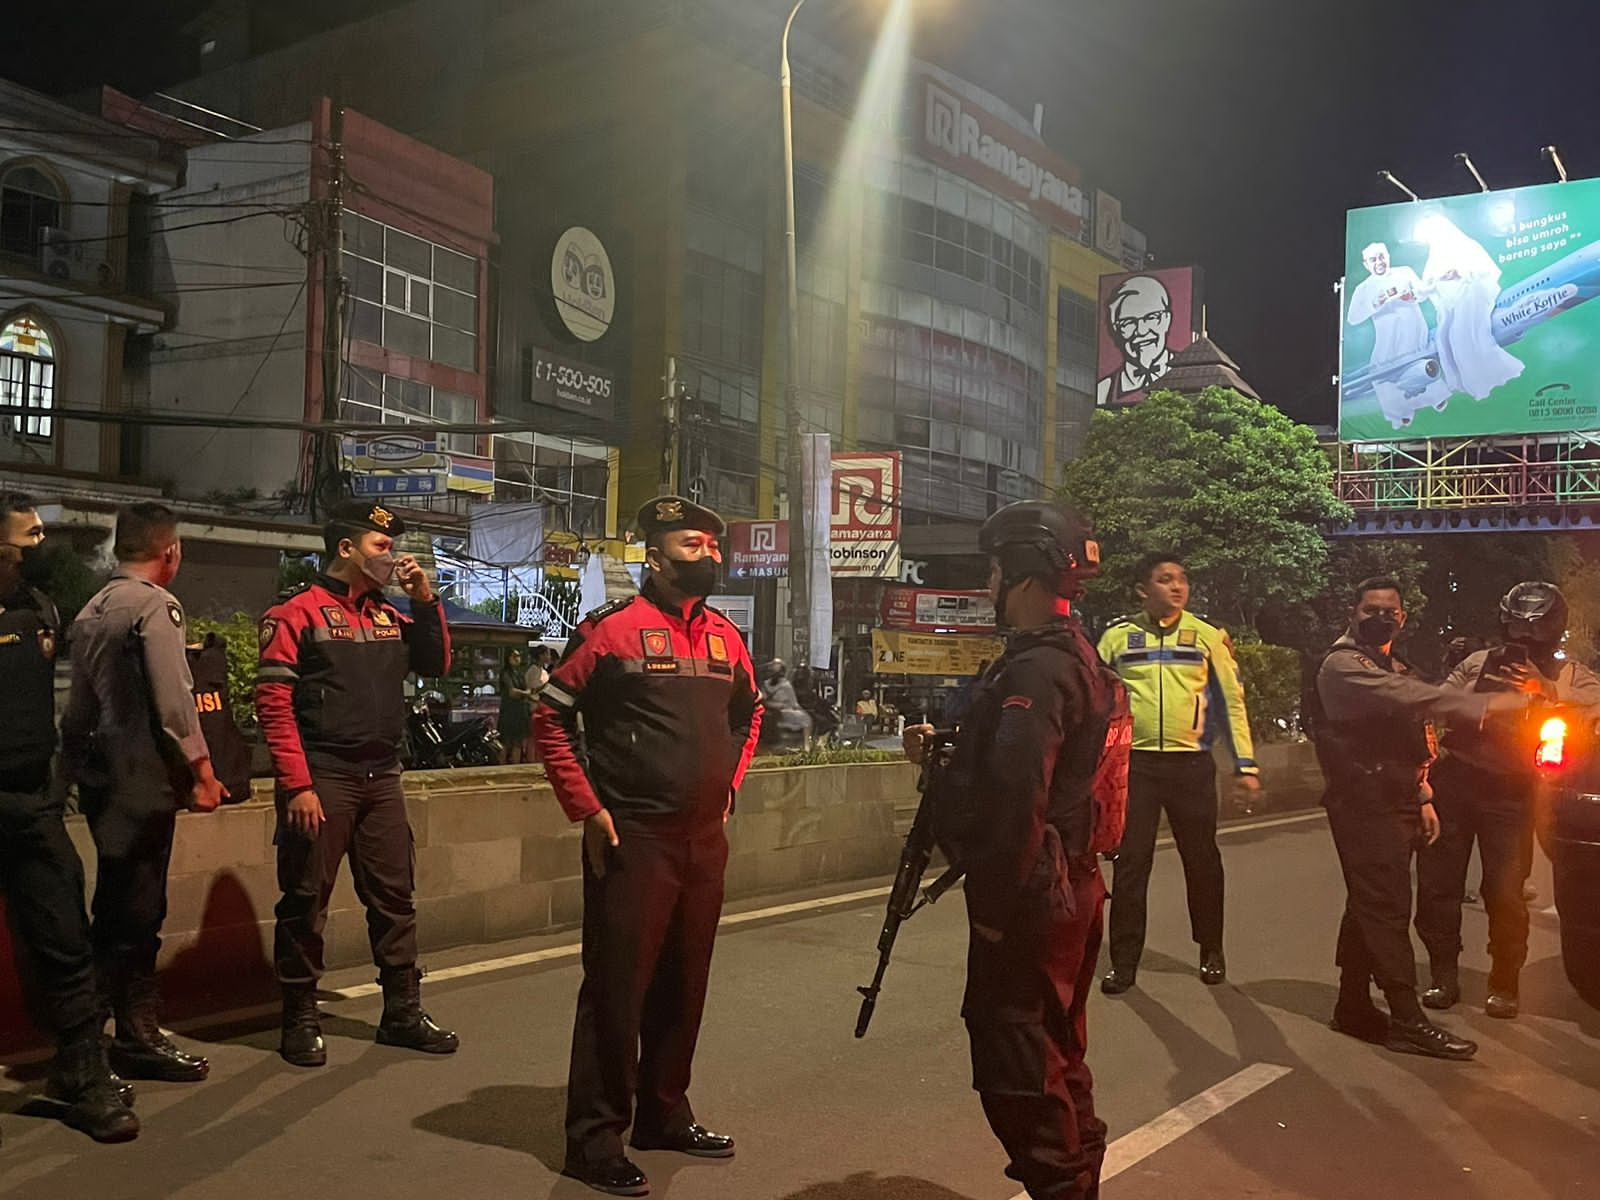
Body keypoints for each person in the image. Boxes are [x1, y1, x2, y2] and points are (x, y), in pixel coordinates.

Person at [533, 495, 762, 1197]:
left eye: (713, 547)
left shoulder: (726, 638)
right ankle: (594, 1140)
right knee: (616, 991)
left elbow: (748, 717)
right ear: (654, 558)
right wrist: (588, 807)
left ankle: (663, 1113)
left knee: (683, 986)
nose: (709, 557)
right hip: (632, 841)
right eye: (693, 547)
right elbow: (549, 721)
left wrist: (729, 787)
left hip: (701, 842)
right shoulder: (609, 633)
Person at [904, 500, 1117, 1200]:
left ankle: (1061, 1184)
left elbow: (1017, 793)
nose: (990, 586)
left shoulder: (1036, 671)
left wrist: (995, 907)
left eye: (997, 571)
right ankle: (1077, 1176)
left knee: (1015, 1052)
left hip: (1034, 889)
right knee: (1057, 1046)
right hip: (1069, 881)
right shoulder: (1068, 654)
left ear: (1023, 575)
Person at [256, 502, 458, 1067]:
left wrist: (424, 600)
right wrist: (298, 784)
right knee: (305, 899)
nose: (392, 557)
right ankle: (298, 1017)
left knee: (395, 898)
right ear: (346, 549)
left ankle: (402, 1012)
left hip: (382, 775)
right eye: (380, 547)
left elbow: (437, 665)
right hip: (324, 775)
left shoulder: (388, 613)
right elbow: (274, 705)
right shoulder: (297, 613)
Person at [1309, 575, 1525, 1060]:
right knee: (1386, 906)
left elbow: (1414, 735)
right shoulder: (1344, 665)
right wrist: (1488, 702)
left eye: (1390, 611)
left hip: (1396, 797)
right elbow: (1416, 699)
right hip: (1362, 800)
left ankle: (1352, 1005)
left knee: (1367, 901)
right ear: (1353, 612)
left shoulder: (1394, 663)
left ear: (1402, 618)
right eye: (1370, 610)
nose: (1380, 617)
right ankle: (1406, 1017)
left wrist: (1424, 795)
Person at [62, 502, 224, 1084]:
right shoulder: (156, 605)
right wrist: (202, 770)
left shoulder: (92, 609)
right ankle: (137, 1034)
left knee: (112, 904)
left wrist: (68, 772)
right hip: (144, 777)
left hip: (102, 777)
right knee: (140, 908)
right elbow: (175, 699)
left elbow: (77, 708)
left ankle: (94, 1034)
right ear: (170, 551)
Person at [0, 494, 138, 1141]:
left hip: (31, 801)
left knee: (64, 935)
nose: (41, 543)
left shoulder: (41, 605)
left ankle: (80, 1073)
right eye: (29, 535)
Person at [1416, 582, 1600, 1019]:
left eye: (1535, 627)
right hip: (1456, 779)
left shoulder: (1572, 674)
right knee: (1437, 887)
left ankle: (1504, 982)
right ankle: (1444, 974)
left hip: (1514, 789)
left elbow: (1593, 712)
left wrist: (1545, 694)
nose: (1525, 637)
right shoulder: (1479, 662)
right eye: (1517, 625)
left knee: (1504, 892)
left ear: (1555, 627)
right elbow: (1436, 704)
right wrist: (1479, 700)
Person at [1096, 554, 1258, 994]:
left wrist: (1245, 764)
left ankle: (1211, 948)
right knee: (1131, 865)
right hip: (1138, 767)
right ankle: (1124, 961)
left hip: (1192, 767)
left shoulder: (1207, 637)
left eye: (1181, 579)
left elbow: (1232, 702)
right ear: (1142, 590)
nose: (1176, 587)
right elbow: (1094, 704)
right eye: (1164, 580)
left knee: (1202, 861)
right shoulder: (1115, 639)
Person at [1417, 211, 1523, 400]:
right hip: (1449, 307)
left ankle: (1482, 381)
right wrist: (1432, 284)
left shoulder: (1467, 246)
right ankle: (1459, 382)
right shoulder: (1434, 256)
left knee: (1462, 335)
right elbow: (1426, 286)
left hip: (1470, 298)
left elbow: (1487, 271)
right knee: (1443, 338)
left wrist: (1459, 273)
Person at [1346, 241, 1451, 428]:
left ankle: (1437, 397)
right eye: (1373, 259)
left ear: (1387, 256)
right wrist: (1374, 304)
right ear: (1366, 264)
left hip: (1414, 331)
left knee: (1420, 363)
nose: (1379, 262)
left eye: (1381, 257)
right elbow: (1352, 318)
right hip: (1389, 339)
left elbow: (1423, 291)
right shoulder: (1363, 288)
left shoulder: (1404, 272)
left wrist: (1413, 295)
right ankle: (1401, 413)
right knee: (1381, 375)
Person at [1097, 274, 1174, 405]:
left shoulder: (1189, 374)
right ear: (1116, 330)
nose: (1141, 331)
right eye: (1128, 323)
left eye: (1151, 317)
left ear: (1167, 319)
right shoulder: (1104, 390)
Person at [499, 648, 534, 765]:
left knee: (518, 742)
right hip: (509, 711)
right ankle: (501, 768)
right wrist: (525, 693)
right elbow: (512, 692)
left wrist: (524, 692)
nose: (517, 659)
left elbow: (527, 689)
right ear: (508, 658)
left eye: (518, 656)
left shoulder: (519, 673)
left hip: (520, 711)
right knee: (506, 742)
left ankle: (516, 768)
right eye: (514, 656)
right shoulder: (505, 673)